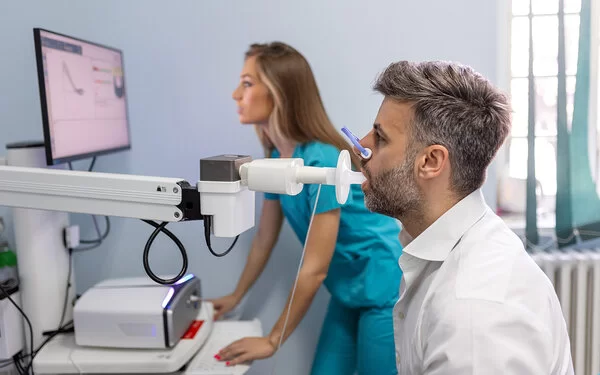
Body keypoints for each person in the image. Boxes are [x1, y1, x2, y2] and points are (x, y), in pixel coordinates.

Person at [356, 60, 574, 374]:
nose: (361, 146)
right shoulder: (446, 248)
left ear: (431, 161)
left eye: (381, 138)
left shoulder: (474, 315)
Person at [210, 42, 403, 375]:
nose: (235, 95)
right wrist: (236, 295)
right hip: (346, 289)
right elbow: (264, 239)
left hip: (382, 285)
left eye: (247, 83)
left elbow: (314, 269)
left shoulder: (321, 161)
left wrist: (273, 341)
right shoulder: (276, 160)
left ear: (278, 92)